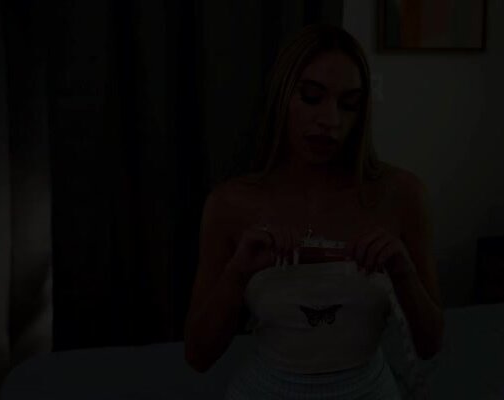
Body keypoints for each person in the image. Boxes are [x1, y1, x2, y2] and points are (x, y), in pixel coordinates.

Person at [184, 23, 444, 399]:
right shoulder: (231, 204)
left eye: (348, 104)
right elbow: (198, 355)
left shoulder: (402, 195)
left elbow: (431, 344)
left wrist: (404, 272)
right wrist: (237, 273)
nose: (330, 121)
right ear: (282, 96)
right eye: (311, 97)